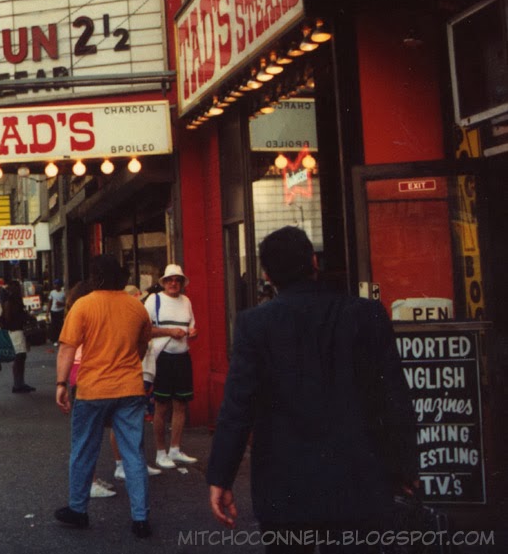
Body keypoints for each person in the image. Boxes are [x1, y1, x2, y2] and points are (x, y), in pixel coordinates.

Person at [207, 227, 418, 551]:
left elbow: (237, 408)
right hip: (359, 481)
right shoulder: (366, 314)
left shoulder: (254, 325)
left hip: (285, 486)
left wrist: (221, 477)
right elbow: (393, 397)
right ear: (314, 262)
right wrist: (405, 465)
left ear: (266, 274)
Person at [54, 254, 154, 539]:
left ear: (94, 277)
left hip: (93, 388)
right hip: (130, 388)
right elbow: (143, 344)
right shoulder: (136, 307)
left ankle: (78, 510)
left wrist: (61, 383)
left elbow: (67, 349)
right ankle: (140, 518)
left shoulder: (83, 306)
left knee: (84, 448)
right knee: (133, 452)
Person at [146, 263, 200, 469]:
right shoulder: (154, 300)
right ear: (164, 282)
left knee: (181, 404)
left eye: (177, 280)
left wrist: (194, 333)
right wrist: (170, 332)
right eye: (170, 280)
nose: (173, 283)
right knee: (161, 406)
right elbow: (144, 329)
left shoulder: (186, 301)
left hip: (182, 357)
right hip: (162, 358)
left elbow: (191, 327)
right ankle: (161, 453)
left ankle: (175, 449)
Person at [0, 280, 34, 393]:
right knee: (19, 357)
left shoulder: (9, 301)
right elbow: (10, 318)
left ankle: (19, 383)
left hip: (15, 331)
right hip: (16, 331)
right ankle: (18, 384)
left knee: (20, 357)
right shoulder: (12, 302)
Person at [46, 278, 66, 345]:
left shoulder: (63, 293)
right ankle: (54, 339)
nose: (55, 286)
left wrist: (61, 304)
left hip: (60, 311)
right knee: (53, 325)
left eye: (57, 284)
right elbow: (50, 302)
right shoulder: (52, 292)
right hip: (53, 310)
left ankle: (60, 338)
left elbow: (66, 303)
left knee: (60, 325)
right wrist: (47, 312)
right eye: (55, 284)